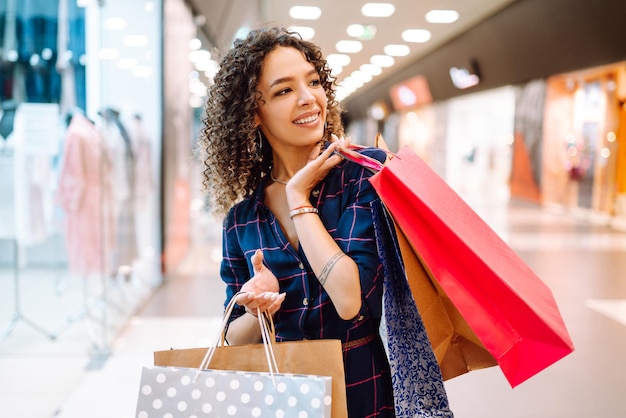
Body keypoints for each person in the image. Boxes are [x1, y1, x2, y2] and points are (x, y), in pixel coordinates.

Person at [199, 26, 396, 417]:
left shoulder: (363, 175)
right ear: (253, 114)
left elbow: (349, 300)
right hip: (281, 397)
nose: (309, 99)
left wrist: (298, 200)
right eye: (284, 90)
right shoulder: (242, 220)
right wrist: (257, 309)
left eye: (314, 82)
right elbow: (234, 340)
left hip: (360, 391)